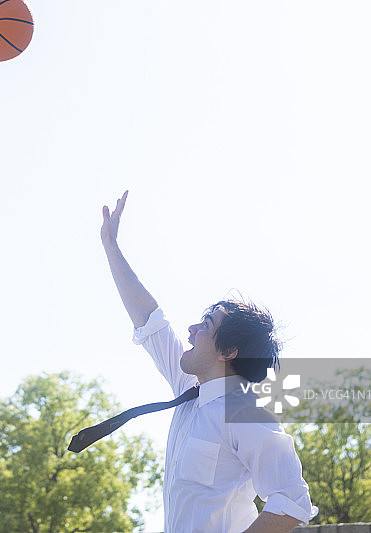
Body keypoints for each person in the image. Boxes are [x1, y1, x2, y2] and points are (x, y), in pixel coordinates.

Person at [100, 191, 317, 533]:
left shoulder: (247, 414)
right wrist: (111, 247)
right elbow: (148, 319)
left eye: (206, 325)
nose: (191, 329)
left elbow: (291, 502)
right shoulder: (189, 390)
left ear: (228, 351)